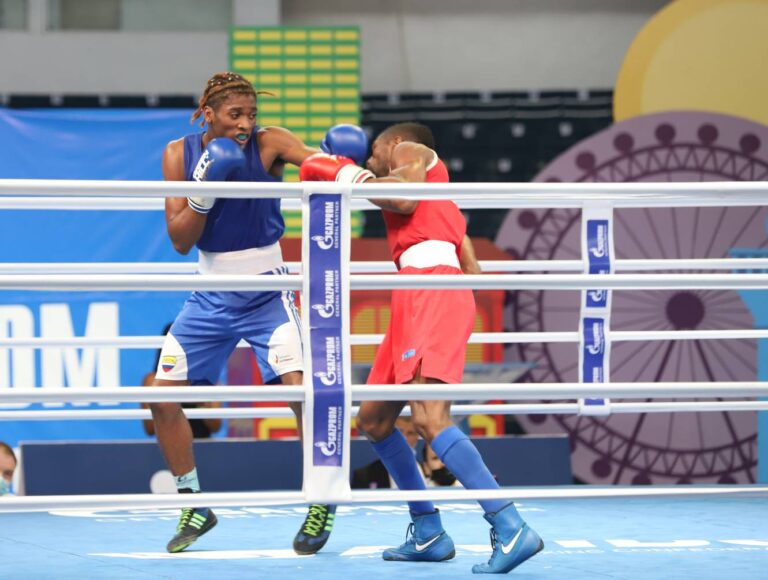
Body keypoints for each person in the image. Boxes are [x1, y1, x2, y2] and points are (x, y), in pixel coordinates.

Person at [299, 122, 543, 574]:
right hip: (414, 296)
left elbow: (405, 198)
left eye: (374, 152)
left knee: (430, 418)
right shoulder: (446, 205)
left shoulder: (411, 151)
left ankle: (509, 524)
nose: (371, 160)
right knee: (373, 419)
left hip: (431, 292)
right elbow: (472, 272)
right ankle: (427, 529)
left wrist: (346, 174)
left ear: (395, 146)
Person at [151, 72, 368, 555]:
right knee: (161, 399)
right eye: (235, 115)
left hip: (268, 290)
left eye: (251, 113)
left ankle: (321, 497)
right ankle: (193, 503)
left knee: (303, 394)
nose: (246, 124)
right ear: (208, 114)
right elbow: (181, 240)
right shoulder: (177, 154)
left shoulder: (269, 143)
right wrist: (204, 186)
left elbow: (318, 164)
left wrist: (352, 171)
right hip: (209, 293)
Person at [142, 324, 221, 439]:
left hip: (203, 446)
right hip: (169, 447)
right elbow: (149, 429)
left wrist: (202, 403)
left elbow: (216, 426)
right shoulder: (152, 380)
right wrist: (168, 401)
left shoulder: (206, 378)